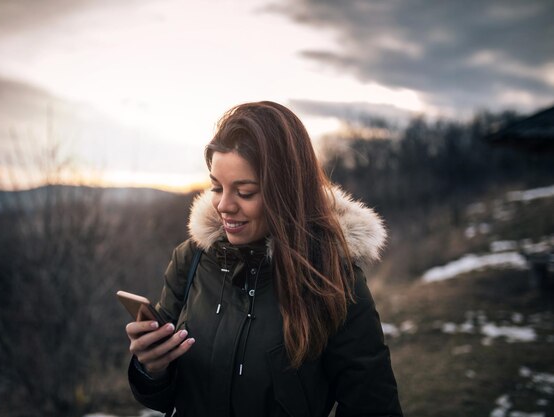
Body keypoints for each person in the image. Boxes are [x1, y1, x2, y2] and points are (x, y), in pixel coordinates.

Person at [125, 101, 402, 417]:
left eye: (244, 192)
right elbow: (163, 398)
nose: (224, 206)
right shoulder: (192, 259)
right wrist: (152, 368)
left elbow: (373, 405)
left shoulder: (333, 278)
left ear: (285, 192)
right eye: (217, 187)